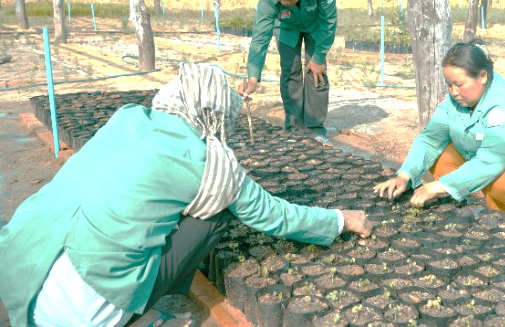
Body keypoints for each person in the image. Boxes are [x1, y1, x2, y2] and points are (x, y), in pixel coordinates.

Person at [0, 63, 371, 327]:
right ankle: (144, 310)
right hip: (83, 315)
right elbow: (274, 215)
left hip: (19, 272)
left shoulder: (127, 117)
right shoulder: (208, 164)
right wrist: (341, 219)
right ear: (214, 115)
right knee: (218, 211)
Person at [374, 40, 505, 214]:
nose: (453, 92)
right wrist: (404, 175)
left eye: (459, 84)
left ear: (482, 76)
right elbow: (430, 139)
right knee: (439, 153)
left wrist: (436, 186)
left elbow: (491, 161)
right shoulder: (454, 100)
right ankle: (467, 202)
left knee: (504, 179)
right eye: (449, 85)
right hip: (490, 161)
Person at [239, 0, 337, 143]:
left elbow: (329, 20)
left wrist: (319, 56)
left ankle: (315, 128)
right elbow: (260, 36)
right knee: (290, 71)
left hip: (315, 25)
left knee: (316, 72)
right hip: (286, 27)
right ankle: (294, 129)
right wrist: (253, 76)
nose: (284, 2)